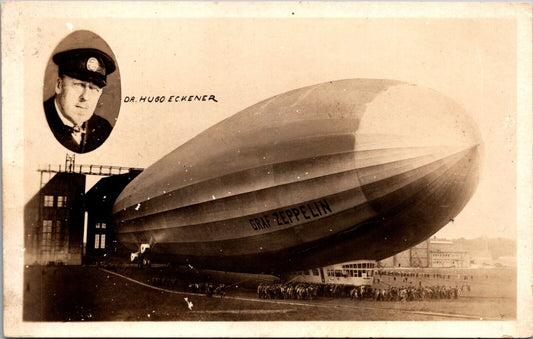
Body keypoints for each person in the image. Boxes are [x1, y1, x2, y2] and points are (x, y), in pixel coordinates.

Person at [44, 48, 116, 153]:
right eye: (78, 85)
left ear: (100, 93)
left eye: (93, 89)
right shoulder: (38, 120)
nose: (85, 97)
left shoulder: (104, 129)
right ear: (59, 85)